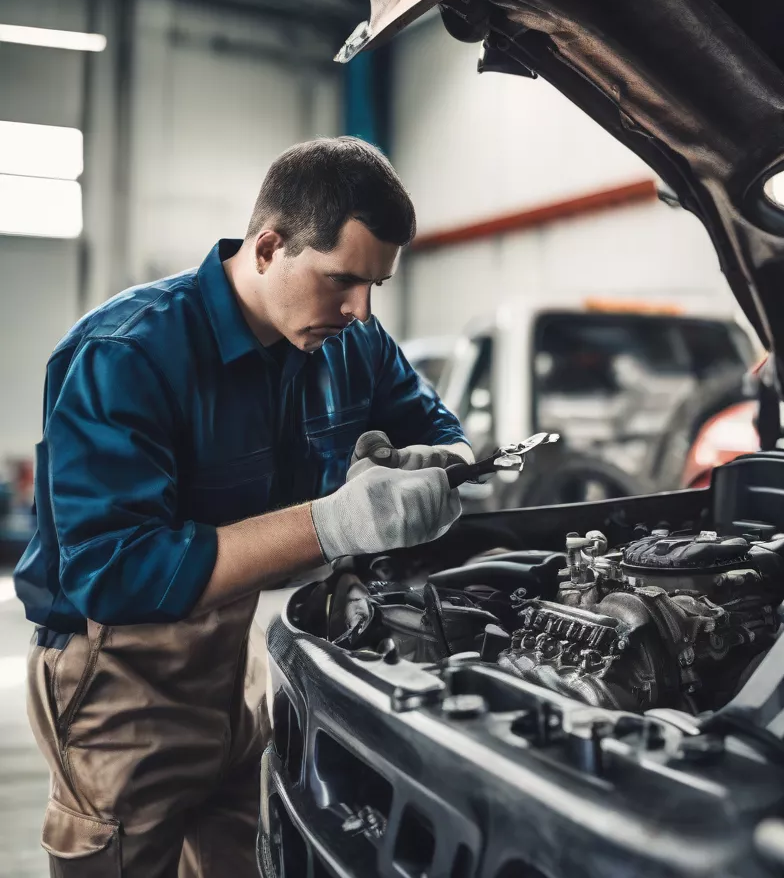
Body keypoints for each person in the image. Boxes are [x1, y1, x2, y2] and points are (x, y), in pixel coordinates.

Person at [14, 137, 472, 876]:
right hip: (122, 671)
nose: (360, 309)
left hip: (253, 655)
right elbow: (114, 572)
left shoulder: (353, 343)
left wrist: (438, 465)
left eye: (374, 285)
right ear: (267, 247)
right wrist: (336, 522)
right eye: (342, 279)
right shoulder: (126, 353)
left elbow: (442, 431)